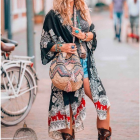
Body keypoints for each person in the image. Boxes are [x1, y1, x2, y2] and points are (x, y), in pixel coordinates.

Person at [40, 0, 111, 139]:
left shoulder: (82, 9)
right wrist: (62, 47)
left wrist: (83, 35)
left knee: (104, 104)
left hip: (86, 67)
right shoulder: (53, 15)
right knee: (68, 112)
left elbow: (93, 34)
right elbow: (44, 43)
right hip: (67, 68)